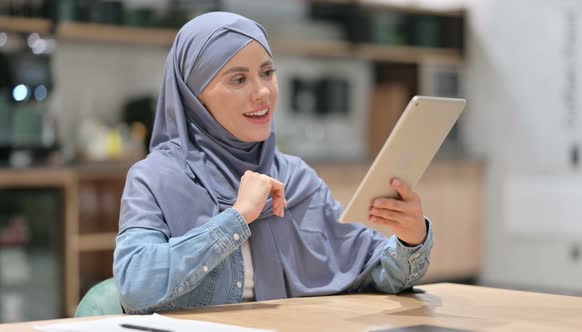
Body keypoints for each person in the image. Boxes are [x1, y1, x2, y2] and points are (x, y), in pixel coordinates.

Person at [113, 12, 433, 314]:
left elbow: (374, 269)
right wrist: (237, 218)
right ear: (194, 97)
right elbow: (135, 286)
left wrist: (411, 238)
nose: (263, 92)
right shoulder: (154, 178)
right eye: (238, 80)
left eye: (267, 72)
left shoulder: (295, 178)